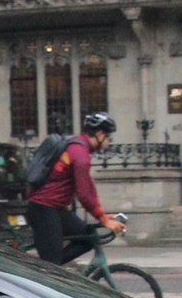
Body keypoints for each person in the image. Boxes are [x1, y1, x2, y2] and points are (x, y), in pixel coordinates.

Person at [26, 112, 124, 265]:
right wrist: (103, 220)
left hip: (56, 208)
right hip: (43, 208)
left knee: (88, 237)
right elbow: (84, 194)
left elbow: (89, 186)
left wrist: (103, 214)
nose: (108, 142)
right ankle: (44, 272)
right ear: (99, 134)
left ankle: (48, 270)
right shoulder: (80, 154)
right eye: (108, 137)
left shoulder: (78, 147)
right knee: (52, 262)